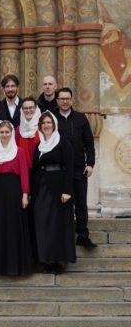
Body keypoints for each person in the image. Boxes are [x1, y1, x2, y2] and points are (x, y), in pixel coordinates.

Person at [32, 111, 76, 274]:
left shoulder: (63, 143)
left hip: (58, 190)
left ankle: (58, 261)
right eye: (43, 123)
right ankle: (46, 260)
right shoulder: (39, 145)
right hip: (41, 189)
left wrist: (67, 191)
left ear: (54, 124)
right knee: (42, 225)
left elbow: (70, 168)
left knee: (57, 225)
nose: (46, 125)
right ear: (40, 126)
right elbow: (35, 168)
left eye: (49, 122)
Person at [55, 87, 97, 248]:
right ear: (57, 101)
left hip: (79, 168)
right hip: (60, 169)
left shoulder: (80, 118)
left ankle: (83, 235)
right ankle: (64, 237)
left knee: (80, 202)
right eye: (62, 99)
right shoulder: (52, 118)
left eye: (67, 98)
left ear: (72, 100)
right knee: (62, 203)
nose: (65, 101)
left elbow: (89, 142)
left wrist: (90, 163)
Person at [0, 121, 33, 276]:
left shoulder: (19, 151)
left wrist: (25, 194)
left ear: (12, 133)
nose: (4, 135)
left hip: (15, 191)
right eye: (1, 132)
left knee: (15, 226)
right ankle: (1, 266)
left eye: (7, 132)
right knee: (0, 226)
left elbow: (24, 173)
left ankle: (17, 265)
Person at [15, 97, 41, 170]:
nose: (28, 110)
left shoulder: (42, 127)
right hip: (23, 169)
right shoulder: (18, 130)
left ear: (36, 109)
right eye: (25, 108)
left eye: (31, 107)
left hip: (40, 170)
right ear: (22, 110)